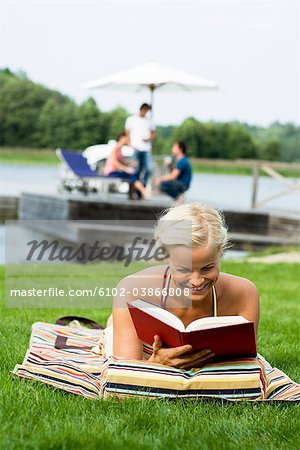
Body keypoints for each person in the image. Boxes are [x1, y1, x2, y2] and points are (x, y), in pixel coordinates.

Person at [104, 203, 259, 369]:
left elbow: (245, 364)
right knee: (114, 335)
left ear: (220, 253)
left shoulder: (244, 293)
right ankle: (113, 324)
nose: (197, 281)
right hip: (144, 351)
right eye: (183, 269)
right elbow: (124, 375)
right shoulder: (130, 290)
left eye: (207, 268)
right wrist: (157, 363)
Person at [103, 132, 148, 199]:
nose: (128, 139)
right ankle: (143, 192)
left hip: (116, 172)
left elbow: (121, 162)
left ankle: (134, 194)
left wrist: (130, 163)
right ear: (122, 138)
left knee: (133, 175)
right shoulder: (116, 148)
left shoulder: (119, 149)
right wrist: (126, 169)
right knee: (132, 175)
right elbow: (114, 162)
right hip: (111, 172)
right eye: (127, 138)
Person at [125, 103, 156, 187]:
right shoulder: (132, 119)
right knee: (136, 170)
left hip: (146, 149)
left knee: (149, 169)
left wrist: (149, 138)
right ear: (141, 109)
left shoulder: (149, 121)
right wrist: (129, 144)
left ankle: (142, 186)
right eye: (145, 110)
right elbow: (127, 133)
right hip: (136, 148)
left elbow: (154, 134)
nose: (145, 112)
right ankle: (135, 189)